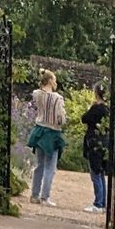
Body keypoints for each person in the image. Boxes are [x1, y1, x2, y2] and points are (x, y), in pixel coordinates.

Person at [27, 70, 66, 207]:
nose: (55, 82)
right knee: (50, 167)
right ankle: (45, 197)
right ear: (50, 80)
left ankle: (34, 195)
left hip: (39, 130)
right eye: (54, 79)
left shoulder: (36, 94)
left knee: (39, 165)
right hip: (52, 132)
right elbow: (61, 118)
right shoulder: (57, 98)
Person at [81, 83, 109, 215]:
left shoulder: (96, 108)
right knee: (101, 173)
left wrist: (90, 107)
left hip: (94, 142)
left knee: (95, 174)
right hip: (104, 142)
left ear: (96, 92)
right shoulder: (108, 109)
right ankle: (103, 203)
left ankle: (98, 203)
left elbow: (84, 118)